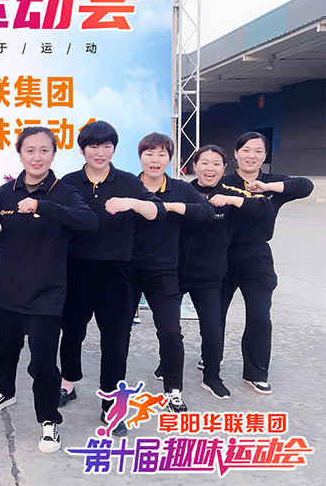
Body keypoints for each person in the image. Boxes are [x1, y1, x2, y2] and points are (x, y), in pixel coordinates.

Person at [0, 126, 97, 454]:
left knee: (43, 363)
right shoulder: (4, 193)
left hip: (47, 294)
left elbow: (89, 223)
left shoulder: (64, 192)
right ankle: (5, 391)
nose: (37, 157)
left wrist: (43, 207)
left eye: (44, 150)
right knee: (5, 348)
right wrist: (16, 247)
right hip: (7, 289)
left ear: (53, 155)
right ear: (20, 154)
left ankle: (49, 420)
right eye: (30, 150)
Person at [58, 121, 165, 437]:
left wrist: (132, 203)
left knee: (116, 341)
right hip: (75, 271)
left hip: (117, 274)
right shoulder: (69, 182)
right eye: (94, 146)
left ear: (114, 149)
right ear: (82, 149)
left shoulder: (129, 182)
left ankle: (111, 405)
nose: (100, 152)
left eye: (107, 146)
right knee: (71, 333)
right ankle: (68, 383)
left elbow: (156, 211)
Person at [220, 132, 313, 395]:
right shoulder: (223, 182)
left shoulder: (273, 183)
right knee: (215, 313)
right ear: (236, 153)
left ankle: (256, 372)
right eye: (246, 150)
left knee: (260, 316)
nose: (251, 156)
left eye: (258, 151)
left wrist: (268, 187)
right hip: (222, 256)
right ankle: (211, 357)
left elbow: (305, 186)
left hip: (258, 257)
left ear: (265, 155)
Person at [177, 145, 272, 400]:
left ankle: (212, 376)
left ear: (224, 167)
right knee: (169, 328)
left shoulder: (230, 192)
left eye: (216, 164)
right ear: (194, 165)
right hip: (175, 272)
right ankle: (167, 364)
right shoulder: (182, 190)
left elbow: (263, 208)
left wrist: (232, 200)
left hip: (209, 276)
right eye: (204, 163)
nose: (210, 169)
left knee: (212, 329)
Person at [131, 133, 213, 413]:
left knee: (170, 332)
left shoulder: (180, 189)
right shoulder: (128, 185)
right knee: (118, 333)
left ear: (170, 158)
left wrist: (171, 207)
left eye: (162, 154)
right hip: (126, 271)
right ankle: (112, 391)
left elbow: (206, 212)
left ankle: (173, 391)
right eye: (149, 153)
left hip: (164, 272)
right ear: (140, 157)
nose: (155, 160)